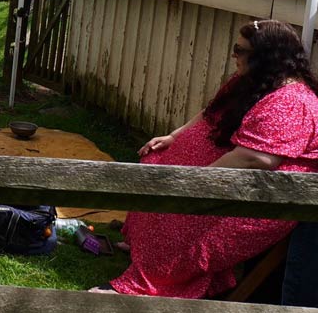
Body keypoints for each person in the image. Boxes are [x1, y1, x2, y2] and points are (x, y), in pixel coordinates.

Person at [97, 20, 318, 298]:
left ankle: (158, 271)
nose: (233, 55)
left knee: (180, 217)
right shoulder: (253, 79)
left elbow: (257, 159)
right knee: (155, 161)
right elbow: (210, 111)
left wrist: (195, 182)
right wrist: (174, 137)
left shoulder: (292, 101)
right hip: (227, 174)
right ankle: (143, 249)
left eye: (240, 50)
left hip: (261, 198)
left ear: (267, 56)